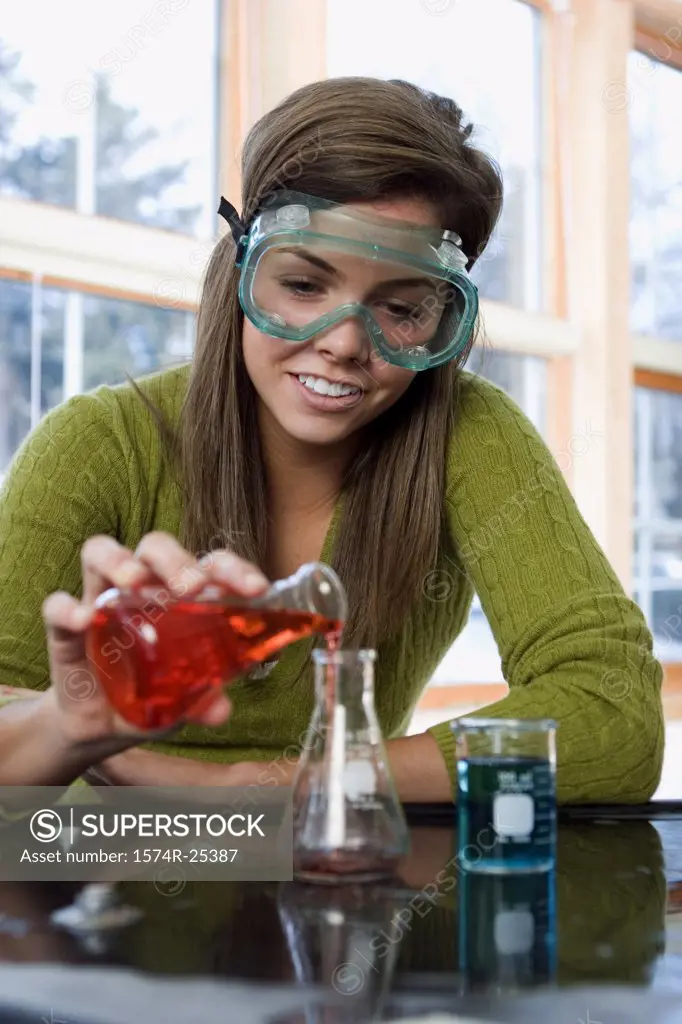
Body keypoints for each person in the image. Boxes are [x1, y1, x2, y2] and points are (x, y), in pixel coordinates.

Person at [0, 77, 664, 802]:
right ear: (243, 271)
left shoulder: (469, 436)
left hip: (337, 879)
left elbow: (614, 714)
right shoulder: (100, 443)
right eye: (305, 287)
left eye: (403, 308)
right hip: (91, 876)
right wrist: (65, 725)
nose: (346, 343)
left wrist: (278, 785)